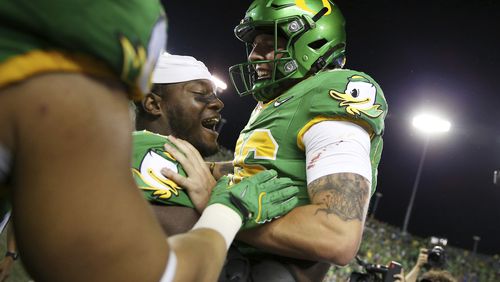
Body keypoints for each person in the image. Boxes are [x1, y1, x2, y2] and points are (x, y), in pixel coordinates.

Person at [0, 1, 299, 281]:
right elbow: (165, 272)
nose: (218, 105)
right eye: (200, 95)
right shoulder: (151, 151)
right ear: (153, 104)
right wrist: (228, 209)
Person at [222, 0, 388, 280]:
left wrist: (221, 212)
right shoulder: (283, 100)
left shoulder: (329, 92)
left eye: (268, 43)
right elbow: (271, 165)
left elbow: (336, 235)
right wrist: (213, 170)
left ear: (312, 42)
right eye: (252, 45)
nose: (253, 56)